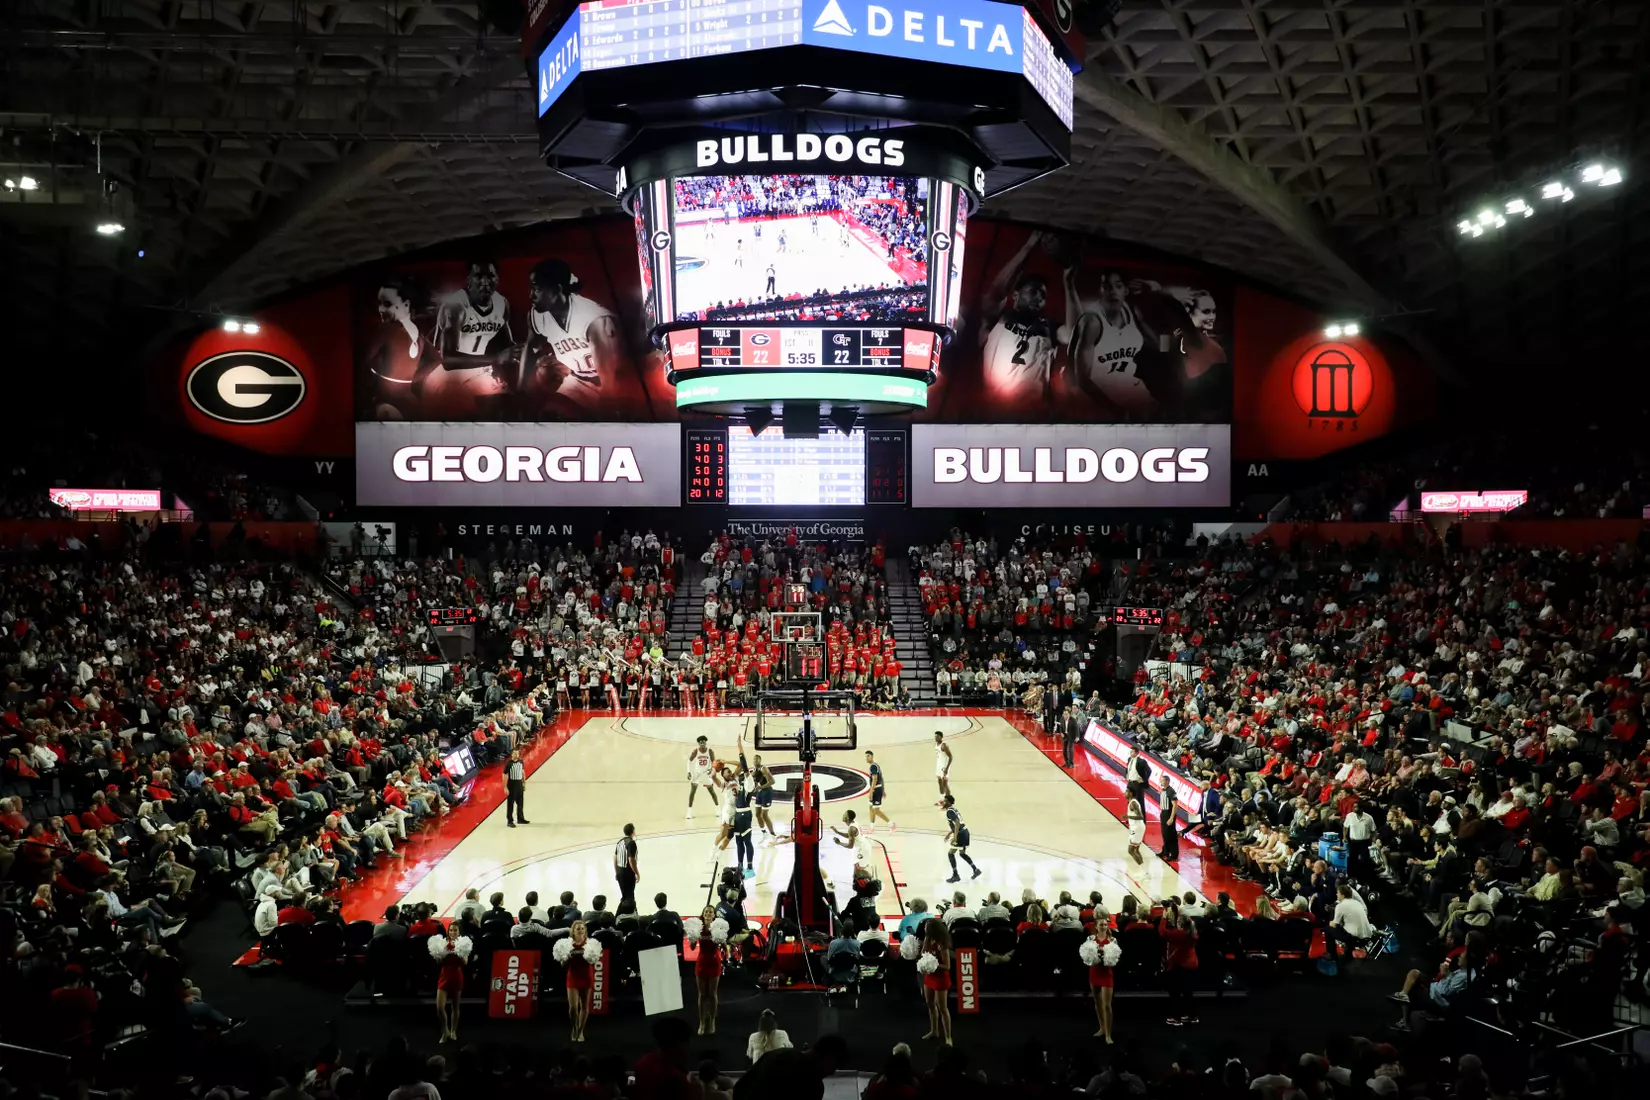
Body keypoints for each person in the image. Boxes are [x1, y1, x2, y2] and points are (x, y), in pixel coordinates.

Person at [557, 919, 599, 1043]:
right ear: (573, 932)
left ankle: (580, 1031)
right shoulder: (566, 945)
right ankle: (574, 1028)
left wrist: (588, 957)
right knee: (573, 1007)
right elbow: (563, 965)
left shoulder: (591, 944)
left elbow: (594, 961)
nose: (580, 930)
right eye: (578, 929)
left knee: (585, 1006)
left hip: (586, 976)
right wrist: (567, 958)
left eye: (582, 928)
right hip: (573, 976)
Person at [429, 925, 472, 1043]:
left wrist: (457, 952)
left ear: (459, 932)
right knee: (439, 1008)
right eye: (451, 930)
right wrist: (442, 955)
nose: (452, 932)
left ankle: (453, 1031)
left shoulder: (464, 943)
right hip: (444, 976)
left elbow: (465, 962)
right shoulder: (442, 944)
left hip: (456, 976)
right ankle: (445, 1030)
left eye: (455, 930)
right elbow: (439, 962)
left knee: (455, 1007)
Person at [691, 905, 727, 1036]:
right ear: (703, 913)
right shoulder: (698, 927)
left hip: (714, 962)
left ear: (714, 915)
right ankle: (702, 1022)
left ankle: (712, 1021)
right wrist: (693, 938)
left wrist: (722, 941)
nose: (708, 913)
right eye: (706, 911)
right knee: (702, 994)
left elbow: (724, 946)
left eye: (710, 912)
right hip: (702, 961)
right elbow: (692, 946)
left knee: (712, 994)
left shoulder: (718, 927)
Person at [1160, 908, 1199, 1025]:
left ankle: (1176, 1018)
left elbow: (1162, 932)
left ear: (1180, 924)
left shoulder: (1179, 934)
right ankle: (1192, 1016)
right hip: (1191, 964)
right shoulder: (1193, 932)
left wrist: (1164, 918)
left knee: (1175, 993)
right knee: (1188, 992)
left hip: (1179, 966)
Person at [919, 918, 954, 1046]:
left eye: (926, 927)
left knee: (943, 1008)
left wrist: (933, 964)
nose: (924, 929)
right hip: (930, 976)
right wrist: (924, 963)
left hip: (940, 978)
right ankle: (934, 1031)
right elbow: (923, 954)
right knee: (930, 1004)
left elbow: (947, 967)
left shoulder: (942, 945)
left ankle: (948, 1037)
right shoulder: (928, 939)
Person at [1086, 907, 1118, 1043]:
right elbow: (1086, 957)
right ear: (1096, 926)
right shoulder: (1090, 939)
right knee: (1097, 1003)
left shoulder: (1113, 940)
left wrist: (1106, 957)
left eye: (1105, 924)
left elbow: (1115, 959)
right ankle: (1102, 1028)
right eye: (1101, 925)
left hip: (1106, 974)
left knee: (1107, 1005)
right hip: (1094, 972)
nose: (1104, 926)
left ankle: (1108, 1034)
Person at [941, 794, 980, 883]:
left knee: (951, 854)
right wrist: (949, 833)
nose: (944, 802)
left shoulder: (949, 811)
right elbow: (958, 824)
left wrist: (955, 837)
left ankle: (956, 875)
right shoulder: (953, 809)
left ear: (949, 802)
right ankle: (975, 870)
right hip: (965, 832)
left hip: (960, 834)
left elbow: (957, 823)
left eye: (945, 801)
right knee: (962, 853)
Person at [687, 736, 719, 820]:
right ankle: (689, 812)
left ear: (706, 742)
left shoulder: (710, 751)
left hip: (706, 774)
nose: (702, 743)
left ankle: (718, 810)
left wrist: (711, 770)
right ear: (698, 743)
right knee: (692, 793)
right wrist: (689, 772)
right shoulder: (695, 751)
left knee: (712, 792)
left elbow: (714, 763)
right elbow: (689, 761)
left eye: (703, 742)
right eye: (700, 742)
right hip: (697, 774)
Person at [865, 750, 894, 830]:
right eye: (866, 756)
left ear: (872, 756)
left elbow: (875, 779)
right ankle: (871, 827)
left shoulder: (873, 766)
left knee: (876, 810)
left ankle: (891, 824)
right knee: (871, 808)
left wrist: (871, 792)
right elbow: (882, 778)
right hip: (878, 789)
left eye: (868, 756)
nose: (867, 758)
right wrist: (883, 790)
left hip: (876, 790)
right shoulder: (876, 765)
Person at [615, 822, 639, 907]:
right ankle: (631, 914)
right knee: (630, 896)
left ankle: (620, 914)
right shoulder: (631, 843)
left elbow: (615, 858)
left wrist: (617, 872)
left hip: (620, 871)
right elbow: (631, 860)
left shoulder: (619, 842)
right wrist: (636, 873)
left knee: (624, 896)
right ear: (633, 832)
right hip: (628, 872)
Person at [504, 749, 527, 827]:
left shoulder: (521, 762)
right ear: (511, 755)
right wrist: (505, 787)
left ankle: (520, 818)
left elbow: (523, 772)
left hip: (519, 783)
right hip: (512, 784)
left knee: (520, 802)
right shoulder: (509, 764)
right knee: (510, 803)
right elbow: (504, 775)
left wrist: (524, 783)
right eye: (514, 754)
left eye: (517, 754)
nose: (516, 755)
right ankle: (510, 821)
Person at [1159, 785, 1180, 862]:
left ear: (1167, 781)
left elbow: (1175, 805)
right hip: (1163, 812)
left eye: (1163, 780)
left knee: (1171, 835)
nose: (1161, 782)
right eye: (1161, 780)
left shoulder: (1171, 791)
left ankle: (1174, 855)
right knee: (1165, 834)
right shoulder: (1163, 790)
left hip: (1169, 813)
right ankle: (1165, 852)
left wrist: (1171, 818)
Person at [1126, 793, 1147, 864]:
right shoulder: (1133, 802)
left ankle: (1144, 871)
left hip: (1137, 828)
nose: (1124, 793)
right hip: (1137, 827)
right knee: (1136, 850)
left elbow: (1140, 816)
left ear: (1131, 793)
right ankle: (1145, 870)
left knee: (1131, 850)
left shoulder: (1133, 803)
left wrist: (1128, 817)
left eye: (1126, 791)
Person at [933, 731, 953, 800]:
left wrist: (947, 769)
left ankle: (949, 803)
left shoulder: (944, 745)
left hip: (944, 766)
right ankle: (941, 799)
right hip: (939, 765)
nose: (936, 738)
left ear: (941, 737)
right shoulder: (937, 744)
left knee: (945, 784)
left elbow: (950, 757)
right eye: (935, 736)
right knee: (940, 782)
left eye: (937, 736)